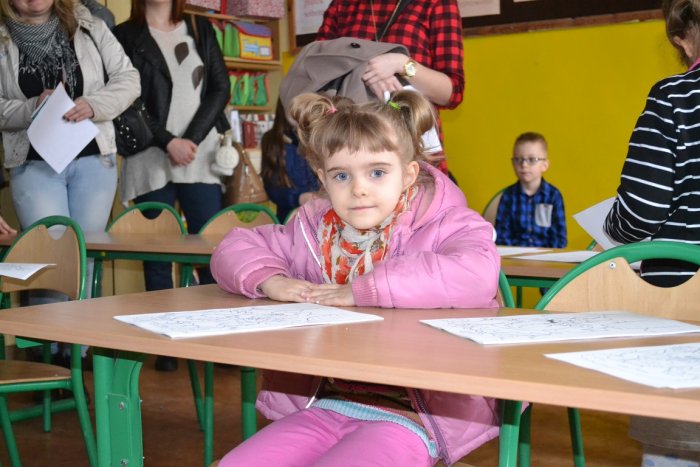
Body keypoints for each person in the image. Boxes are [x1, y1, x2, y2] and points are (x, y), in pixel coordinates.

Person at [211, 90, 500, 466]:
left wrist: (366, 289)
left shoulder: (447, 223)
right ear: (323, 178)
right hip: (324, 405)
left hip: (415, 418)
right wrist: (270, 279)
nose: (359, 188)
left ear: (408, 174)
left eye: (377, 172)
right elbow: (234, 247)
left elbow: (477, 273)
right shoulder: (313, 229)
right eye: (341, 175)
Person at [604, 0, 700, 464]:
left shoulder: (674, 97)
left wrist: (612, 225)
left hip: (684, 302)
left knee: (675, 450)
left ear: (683, 37)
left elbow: (641, 211)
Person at [113, 0, 230, 371]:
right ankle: (166, 345)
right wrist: (169, 142)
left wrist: (190, 140)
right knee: (157, 256)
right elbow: (125, 98)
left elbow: (220, 87)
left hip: (200, 154)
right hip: (149, 157)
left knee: (212, 251)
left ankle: (218, 339)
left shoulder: (199, 26)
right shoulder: (124, 35)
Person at [315, 0, 464, 174]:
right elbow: (316, 68)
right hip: (350, 142)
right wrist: (364, 68)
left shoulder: (436, 3)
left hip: (411, 142)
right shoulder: (343, 4)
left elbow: (452, 93)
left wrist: (402, 64)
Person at [495, 132, 567, 248]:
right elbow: (502, 236)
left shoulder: (553, 196)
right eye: (519, 159)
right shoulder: (508, 196)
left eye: (532, 159)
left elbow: (559, 238)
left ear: (545, 165)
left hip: (547, 256)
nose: (524, 164)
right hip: (514, 256)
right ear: (513, 163)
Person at [260, 99, 320, 223]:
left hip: (321, 215)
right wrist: (299, 198)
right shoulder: (272, 141)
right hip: (289, 219)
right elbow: (272, 188)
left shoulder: (319, 137)